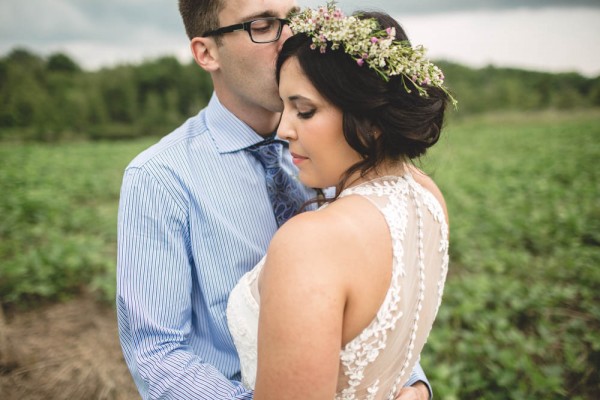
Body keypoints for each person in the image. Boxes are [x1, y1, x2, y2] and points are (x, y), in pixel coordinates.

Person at [116, 0, 432, 399]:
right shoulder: (160, 178)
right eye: (262, 25)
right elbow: (156, 352)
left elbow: (373, 304)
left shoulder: (338, 149)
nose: (289, 39)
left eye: (295, 20)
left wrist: (411, 383)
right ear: (206, 52)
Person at [225, 2, 453, 399]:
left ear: (370, 119)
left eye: (305, 111)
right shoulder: (428, 198)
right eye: (285, 108)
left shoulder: (312, 243)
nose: (283, 130)